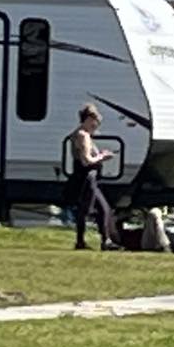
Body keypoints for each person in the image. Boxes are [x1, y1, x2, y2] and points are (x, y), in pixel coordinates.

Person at [65, 104, 120, 251]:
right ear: (88, 119)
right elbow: (86, 160)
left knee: (99, 209)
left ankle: (98, 241)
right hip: (86, 176)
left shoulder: (82, 134)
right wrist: (102, 156)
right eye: (95, 122)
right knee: (94, 209)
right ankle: (92, 241)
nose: (96, 126)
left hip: (89, 176)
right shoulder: (83, 135)